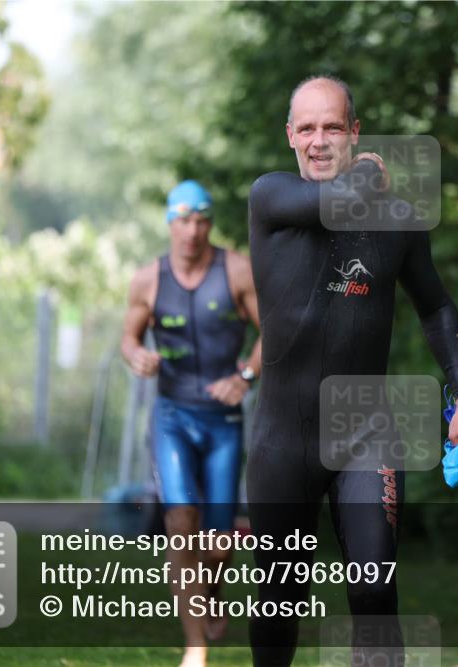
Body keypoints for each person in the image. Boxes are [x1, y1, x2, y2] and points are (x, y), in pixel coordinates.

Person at [246, 75, 458, 666]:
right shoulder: (272, 198)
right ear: (290, 137)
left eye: (333, 127)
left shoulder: (397, 220)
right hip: (284, 441)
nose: (319, 140)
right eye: (307, 128)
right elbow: (334, 203)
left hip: (365, 433)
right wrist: (371, 169)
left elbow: (435, 305)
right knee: (279, 601)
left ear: (354, 132)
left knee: (375, 590)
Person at [121, 181, 262, 667]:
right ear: (170, 223)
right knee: (181, 523)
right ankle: (195, 645)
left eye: (202, 221)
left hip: (223, 421)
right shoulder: (148, 280)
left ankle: (214, 591)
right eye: (184, 220)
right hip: (172, 418)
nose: (193, 231)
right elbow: (128, 338)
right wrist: (138, 355)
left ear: (210, 225)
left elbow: (275, 332)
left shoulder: (237, 271)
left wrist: (245, 376)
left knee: (219, 544)